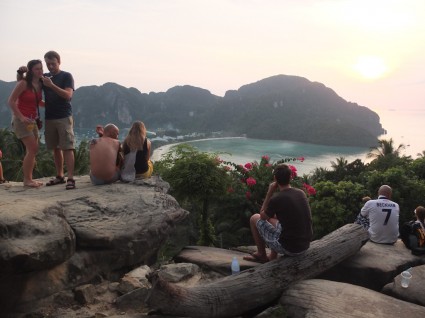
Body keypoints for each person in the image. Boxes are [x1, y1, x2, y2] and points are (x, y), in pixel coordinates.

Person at [18, 51, 76, 190]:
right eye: (48, 64)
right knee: (55, 148)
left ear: (59, 62)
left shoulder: (66, 76)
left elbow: (68, 95)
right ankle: (60, 176)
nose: (50, 66)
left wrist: (51, 86)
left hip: (63, 117)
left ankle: (71, 178)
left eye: (53, 63)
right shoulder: (44, 78)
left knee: (67, 147)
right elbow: (26, 85)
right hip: (49, 117)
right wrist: (21, 74)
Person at [243, 163, 313, 263]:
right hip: (305, 245)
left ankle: (261, 254)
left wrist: (269, 192)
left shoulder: (277, 198)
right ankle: (272, 256)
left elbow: (262, 216)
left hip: (290, 248)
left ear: (275, 179)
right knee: (274, 218)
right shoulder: (300, 192)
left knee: (254, 218)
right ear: (291, 177)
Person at [8, 59, 44, 188]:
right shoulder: (23, 83)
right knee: (33, 148)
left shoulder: (40, 84)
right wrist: (21, 117)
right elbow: (11, 101)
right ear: (31, 71)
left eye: (41, 68)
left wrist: (51, 104)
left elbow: (37, 102)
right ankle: (27, 180)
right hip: (21, 120)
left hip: (32, 120)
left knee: (33, 150)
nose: (40, 71)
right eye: (37, 69)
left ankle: (29, 179)